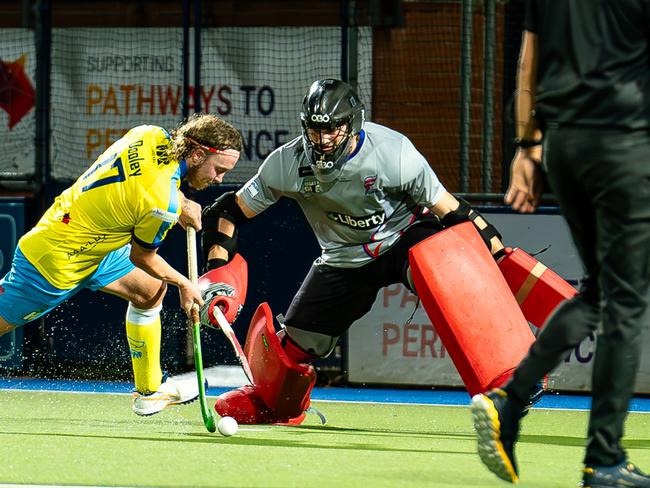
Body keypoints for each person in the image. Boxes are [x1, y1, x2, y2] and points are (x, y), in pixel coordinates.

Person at [198, 78, 543, 425]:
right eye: (317, 131)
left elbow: (452, 211)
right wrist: (216, 273)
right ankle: (275, 403)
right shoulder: (285, 164)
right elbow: (227, 213)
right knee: (301, 338)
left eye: (334, 129)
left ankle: (512, 378)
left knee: (448, 271)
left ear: (354, 123)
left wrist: (496, 255)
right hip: (343, 257)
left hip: (406, 237)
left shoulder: (394, 154)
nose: (325, 140)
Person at [471, 1, 650, 486]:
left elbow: (529, 63)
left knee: (601, 292)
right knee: (626, 302)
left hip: (565, 147)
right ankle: (605, 458)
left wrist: (527, 148)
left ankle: (510, 403)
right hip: (624, 145)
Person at [0, 113, 243, 416]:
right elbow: (142, 256)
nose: (219, 178)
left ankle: (150, 391)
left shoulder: (149, 134)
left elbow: (145, 179)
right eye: (218, 169)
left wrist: (181, 202)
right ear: (196, 154)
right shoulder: (161, 203)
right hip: (56, 259)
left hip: (97, 246)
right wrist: (185, 284)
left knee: (150, 290)